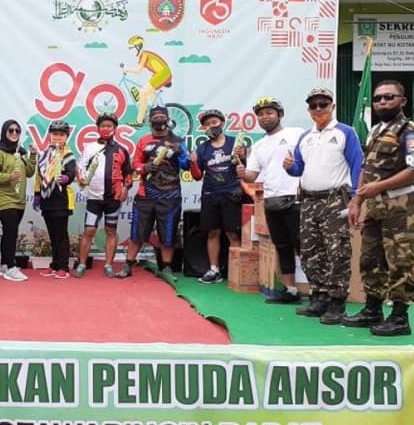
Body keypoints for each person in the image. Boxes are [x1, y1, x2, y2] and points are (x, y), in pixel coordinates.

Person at [343, 80, 414, 336]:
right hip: (375, 205)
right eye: (378, 98)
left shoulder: (410, 131)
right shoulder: (375, 131)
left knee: (400, 261)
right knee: (371, 259)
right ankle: (372, 309)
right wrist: (357, 201)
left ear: (402, 101)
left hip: (400, 205)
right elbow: (367, 170)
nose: (381, 102)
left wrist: (378, 188)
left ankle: (400, 317)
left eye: (388, 97)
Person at [283, 88, 363, 324]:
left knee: (337, 252)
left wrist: (357, 198)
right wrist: (289, 166)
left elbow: (358, 165)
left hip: (334, 200)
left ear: (332, 106)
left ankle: (337, 303)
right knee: (310, 252)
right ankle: (319, 297)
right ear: (308, 110)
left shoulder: (345, 133)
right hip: (308, 201)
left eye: (323, 104)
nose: (318, 109)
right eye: (314, 105)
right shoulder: (305, 137)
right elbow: (299, 169)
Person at [236, 97, 303, 304]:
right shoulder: (259, 145)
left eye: (269, 113)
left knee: (304, 247)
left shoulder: (297, 133)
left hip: (295, 198)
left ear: (280, 114)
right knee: (282, 246)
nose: (265, 117)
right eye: (261, 114)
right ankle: (291, 290)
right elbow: (252, 176)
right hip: (271, 200)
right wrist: (241, 171)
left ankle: (321, 292)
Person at [117, 106, 189, 279]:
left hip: (170, 195)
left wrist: (181, 154)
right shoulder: (143, 140)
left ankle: (166, 268)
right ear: (150, 121)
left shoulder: (178, 141)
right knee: (137, 233)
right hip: (145, 194)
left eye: (161, 117)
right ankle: (128, 265)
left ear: (167, 120)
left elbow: (187, 166)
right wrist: (145, 167)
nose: (158, 120)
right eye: (155, 117)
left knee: (168, 234)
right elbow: (135, 164)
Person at [189, 109, 244, 284]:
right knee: (212, 233)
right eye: (207, 124)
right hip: (210, 194)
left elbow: (247, 169)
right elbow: (197, 176)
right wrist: (193, 162)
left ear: (222, 122)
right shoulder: (203, 148)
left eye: (214, 122)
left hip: (231, 194)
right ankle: (214, 270)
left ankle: (236, 271)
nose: (211, 126)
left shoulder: (234, 144)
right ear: (203, 128)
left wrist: (244, 156)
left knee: (233, 234)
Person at [75, 113, 133, 278]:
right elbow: (80, 167)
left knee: (110, 231)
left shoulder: (122, 150)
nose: (106, 128)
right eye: (103, 126)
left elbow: (128, 173)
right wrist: (80, 179)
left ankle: (108, 264)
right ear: (98, 128)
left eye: (109, 126)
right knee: (89, 230)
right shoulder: (90, 147)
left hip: (113, 198)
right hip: (94, 197)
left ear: (114, 128)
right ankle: (82, 264)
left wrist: (126, 187)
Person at [0, 120, 37, 281]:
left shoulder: (20, 152)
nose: (14, 133)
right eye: (11, 130)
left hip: (18, 199)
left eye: (17, 131)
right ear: (4, 132)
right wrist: (9, 177)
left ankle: (3, 265)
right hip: (3, 197)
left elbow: (29, 172)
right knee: (11, 231)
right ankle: (10, 266)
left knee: (10, 233)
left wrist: (33, 156)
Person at [33, 120, 77, 279]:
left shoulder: (68, 154)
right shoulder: (44, 153)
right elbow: (39, 175)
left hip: (61, 200)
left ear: (66, 136)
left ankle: (64, 267)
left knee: (61, 235)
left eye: (61, 134)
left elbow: (72, 171)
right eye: (55, 134)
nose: (58, 137)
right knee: (52, 235)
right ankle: (54, 264)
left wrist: (67, 177)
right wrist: (37, 195)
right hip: (47, 200)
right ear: (50, 135)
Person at [123, 35, 172, 126]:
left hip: (163, 74)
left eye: (132, 48)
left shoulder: (144, 55)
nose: (131, 51)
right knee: (148, 94)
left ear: (138, 47)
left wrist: (126, 69)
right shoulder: (144, 54)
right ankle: (157, 110)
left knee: (142, 92)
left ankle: (139, 121)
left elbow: (138, 71)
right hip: (161, 74)